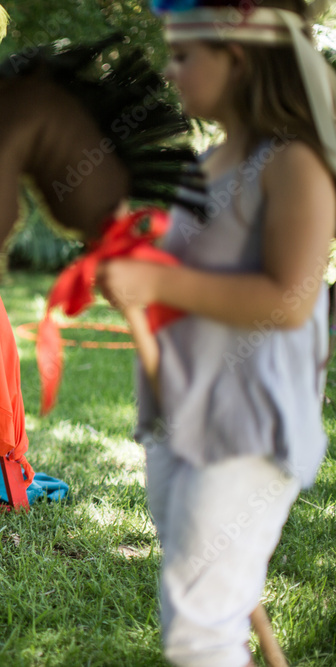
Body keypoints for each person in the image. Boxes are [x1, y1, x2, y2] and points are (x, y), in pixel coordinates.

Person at [97, 2, 335, 665]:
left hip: (246, 424)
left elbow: (289, 298)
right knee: (202, 595)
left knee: (199, 629)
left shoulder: (294, 163)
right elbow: (192, 271)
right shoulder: (206, 165)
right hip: (183, 407)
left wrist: (160, 285)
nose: (170, 74)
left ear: (237, 59)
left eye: (182, 57)